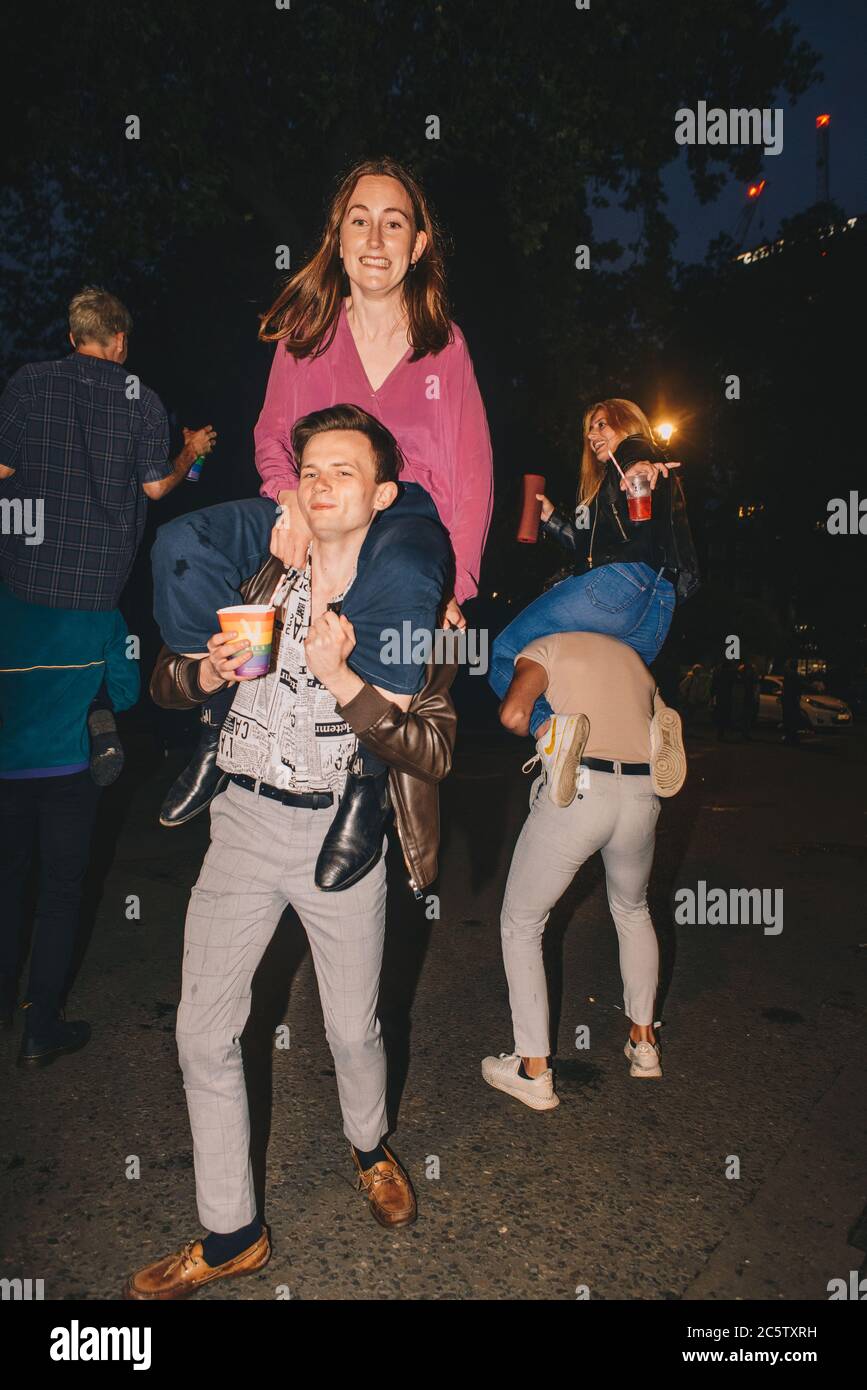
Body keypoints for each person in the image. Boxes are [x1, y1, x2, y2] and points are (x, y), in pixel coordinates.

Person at [124, 406, 456, 1300]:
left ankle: (368, 1145)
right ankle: (231, 1233)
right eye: (309, 467)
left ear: (384, 494)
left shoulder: (412, 602)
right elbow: (164, 676)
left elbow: (431, 750)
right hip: (239, 824)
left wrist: (346, 678)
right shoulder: (258, 574)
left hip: (337, 840)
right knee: (202, 1034)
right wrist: (202, 671)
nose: (319, 482)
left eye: (344, 470)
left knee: (352, 1028)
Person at [153, 156, 493, 835]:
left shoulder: (442, 346)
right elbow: (272, 434)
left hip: (401, 512)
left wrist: (455, 579)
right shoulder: (306, 336)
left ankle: (368, 779)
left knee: (399, 569)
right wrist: (285, 500)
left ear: (417, 246)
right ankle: (216, 721)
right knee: (180, 542)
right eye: (359, 222)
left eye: (392, 224)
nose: (374, 239)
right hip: (308, 501)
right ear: (338, 239)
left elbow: (472, 469)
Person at [0, 285, 216, 772]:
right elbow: (157, 487)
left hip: (25, 570)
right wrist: (189, 453)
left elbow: (2, 470)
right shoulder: (142, 400)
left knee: (24, 676)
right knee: (95, 662)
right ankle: (98, 714)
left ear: (73, 336)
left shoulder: (30, 382)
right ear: (119, 340)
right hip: (99, 579)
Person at [482, 631, 686, 1111]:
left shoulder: (544, 646)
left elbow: (513, 713)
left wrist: (541, 723)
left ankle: (533, 1070)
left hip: (582, 790)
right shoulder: (634, 658)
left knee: (521, 924)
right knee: (633, 910)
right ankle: (643, 1044)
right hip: (641, 797)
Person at [488, 398, 695, 790]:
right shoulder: (613, 490)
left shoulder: (633, 455)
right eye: (589, 428)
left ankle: (546, 729)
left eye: (602, 425)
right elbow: (593, 548)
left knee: (503, 650)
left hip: (618, 588)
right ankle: (655, 724)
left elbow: (639, 458)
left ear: (627, 424)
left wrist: (643, 466)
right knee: (614, 678)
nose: (592, 435)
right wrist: (551, 520)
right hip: (659, 606)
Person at [0, 583, 140, 1058]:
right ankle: (40, 1026)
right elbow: (126, 689)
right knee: (60, 897)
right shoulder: (99, 604)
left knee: (6, 888)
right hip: (69, 770)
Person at [710, 658, 737, 742]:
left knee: (719, 715)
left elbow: (713, 685)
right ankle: (720, 734)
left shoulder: (718, 673)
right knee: (723, 715)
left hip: (720, 696)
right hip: (725, 696)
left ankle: (719, 734)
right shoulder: (728, 674)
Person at [781, 659, 803, 746]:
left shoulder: (789, 674)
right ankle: (792, 737)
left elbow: (789, 688)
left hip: (789, 699)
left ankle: (790, 737)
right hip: (792, 699)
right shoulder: (794, 675)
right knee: (792, 719)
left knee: (788, 719)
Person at [738, 660, 758, 740]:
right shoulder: (747, 680)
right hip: (746, 698)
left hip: (747, 698)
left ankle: (745, 733)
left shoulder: (746, 679)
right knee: (746, 716)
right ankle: (744, 733)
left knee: (747, 716)